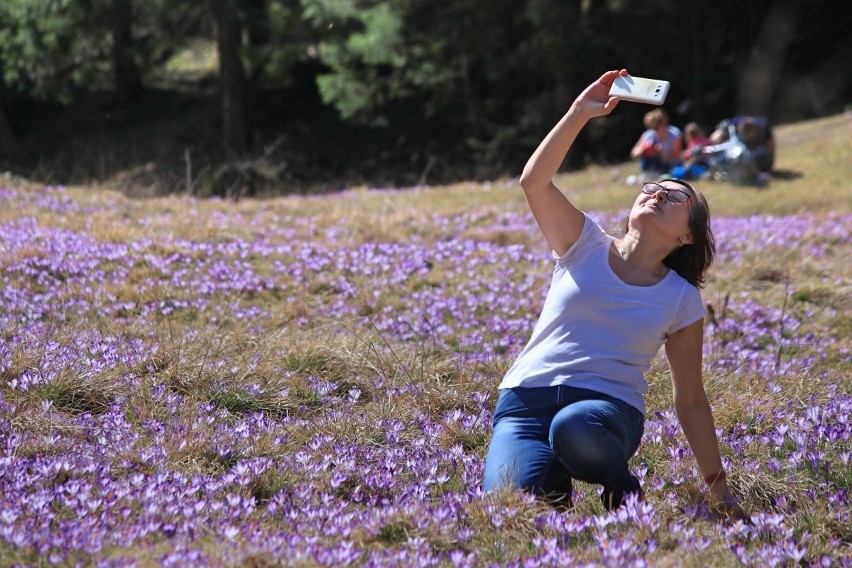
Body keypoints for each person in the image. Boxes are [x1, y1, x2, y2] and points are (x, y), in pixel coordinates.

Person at [483, 69, 740, 514]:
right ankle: (553, 484)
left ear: (688, 237)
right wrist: (579, 113)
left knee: (574, 426)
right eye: (653, 187)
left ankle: (621, 487)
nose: (657, 192)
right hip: (526, 400)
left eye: (675, 196)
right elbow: (533, 183)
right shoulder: (583, 244)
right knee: (509, 510)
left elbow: (691, 400)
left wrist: (717, 486)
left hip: (605, 412)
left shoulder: (680, 298)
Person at [628, 108, 683, 178]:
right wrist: (644, 149)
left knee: (675, 167)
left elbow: (677, 157)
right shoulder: (648, 135)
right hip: (652, 165)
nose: (656, 130)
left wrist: (661, 152)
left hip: (669, 165)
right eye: (654, 128)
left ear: (664, 123)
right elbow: (633, 154)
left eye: (657, 127)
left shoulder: (675, 135)